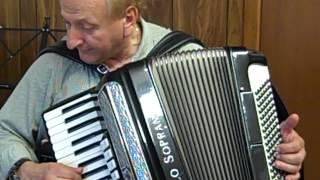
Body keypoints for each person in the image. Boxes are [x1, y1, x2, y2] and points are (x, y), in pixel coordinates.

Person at [0, 0, 306, 179]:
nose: (71, 40)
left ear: (128, 18)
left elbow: (255, 154)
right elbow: (3, 131)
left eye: (86, 26)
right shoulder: (55, 66)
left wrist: (287, 157)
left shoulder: (185, 57)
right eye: (67, 24)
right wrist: (28, 171)